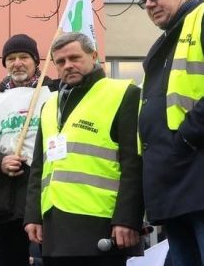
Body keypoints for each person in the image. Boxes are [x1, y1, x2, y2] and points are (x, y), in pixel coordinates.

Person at [24, 33, 144, 266]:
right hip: (54, 226)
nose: (68, 66)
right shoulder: (49, 105)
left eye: (74, 58)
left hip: (101, 223)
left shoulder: (123, 94)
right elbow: (38, 166)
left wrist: (128, 219)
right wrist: (33, 216)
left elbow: (134, 163)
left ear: (94, 56)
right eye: (60, 62)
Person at [138, 0, 204, 266]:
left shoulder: (201, 17)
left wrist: (187, 137)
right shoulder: (165, 41)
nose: (149, 4)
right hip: (174, 182)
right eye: (144, 0)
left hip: (196, 173)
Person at [0, 34, 56, 266]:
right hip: (5, 200)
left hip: (48, 196)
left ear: (36, 61)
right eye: (11, 58)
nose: (17, 63)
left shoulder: (58, 94)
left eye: (24, 57)